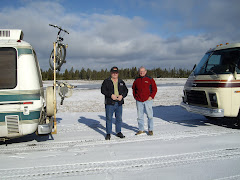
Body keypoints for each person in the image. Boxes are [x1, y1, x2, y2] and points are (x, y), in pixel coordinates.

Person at [101, 66, 128, 140]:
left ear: (118, 73)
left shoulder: (121, 82)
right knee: (109, 118)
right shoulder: (106, 81)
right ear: (111, 73)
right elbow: (103, 90)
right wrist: (110, 95)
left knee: (119, 118)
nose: (114, 74)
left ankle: (118, 132)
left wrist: (122, 96)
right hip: (110, 103)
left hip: (119, 103)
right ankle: (108, 133)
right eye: (113, 72)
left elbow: (126, 91)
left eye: (116, 73)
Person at [132, 66, 157, 136]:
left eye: (143, 71)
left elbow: (154, 89)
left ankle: (150, 130)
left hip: (148, 100)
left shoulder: (150, 79)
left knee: (150, 115)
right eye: (140, 71)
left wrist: (151, 97)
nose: (141, 72)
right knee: (140, 116)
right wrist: (135, 97)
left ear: (145, 72)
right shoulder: (136, 80)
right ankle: (141, 129)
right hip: (139, 100)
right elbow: (134, 89)